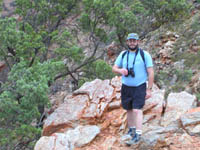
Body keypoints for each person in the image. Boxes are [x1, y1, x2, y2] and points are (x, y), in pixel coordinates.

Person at [112, 33, 154, 145]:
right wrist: (120, 71)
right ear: (127, 42)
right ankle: (131, 130)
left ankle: (138, 135)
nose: (132, 43)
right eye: (130, 41)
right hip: (126, 86)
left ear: (138, 42)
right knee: (129, 109)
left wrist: (149, 89)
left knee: (137, 109)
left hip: (139, 86)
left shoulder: (145, 55)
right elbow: (114, 68)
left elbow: (151, 72)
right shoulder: (123, 54)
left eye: (134, 41)